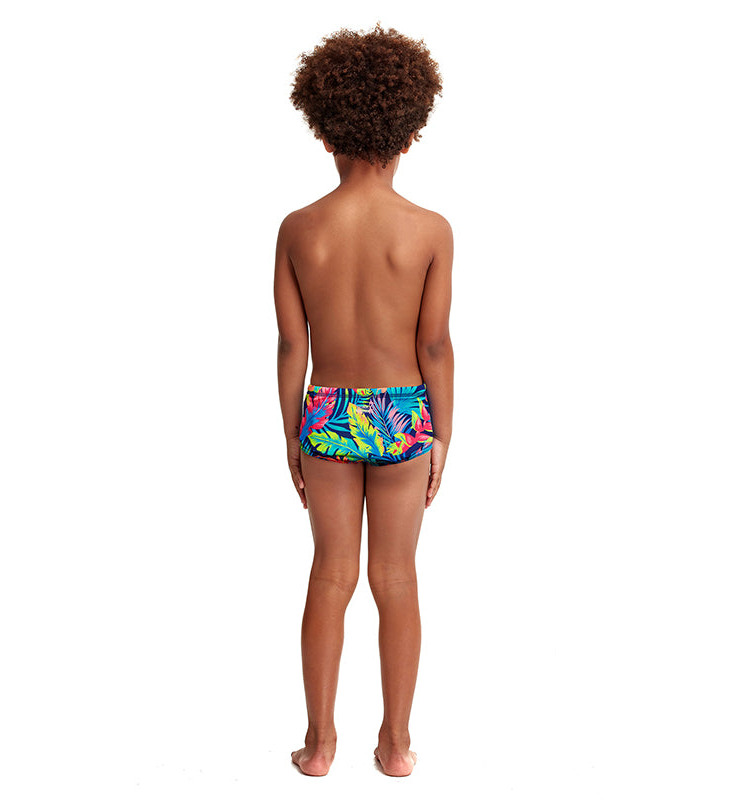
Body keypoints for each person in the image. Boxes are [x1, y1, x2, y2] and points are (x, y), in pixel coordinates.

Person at [273, 24, 454, 778]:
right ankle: (397, 745)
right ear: (409, 133)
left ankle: (319, 746)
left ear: (323, 131)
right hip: (401, 413)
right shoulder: (429, 231)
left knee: (331, 574)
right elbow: (434, 345)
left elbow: (292, 346)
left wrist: (294, 433)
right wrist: (441, 434)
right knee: (396, 578)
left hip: (327, 413)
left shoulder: (299, 230)